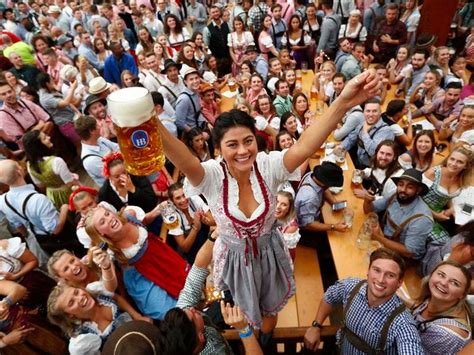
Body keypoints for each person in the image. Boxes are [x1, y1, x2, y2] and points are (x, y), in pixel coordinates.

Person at [154, 68, 382, 335]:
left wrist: (342, 101)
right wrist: (151, 124)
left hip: (269, 253)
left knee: (269, 318)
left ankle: (263, 339)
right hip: (235, 260)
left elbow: (306, 145)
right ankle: (253, 339)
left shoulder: (268, 165)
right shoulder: (212, 175)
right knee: (245, 316)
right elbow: (183, 159)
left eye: (248, 141)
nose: (242, 151)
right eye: (232, 144)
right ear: (219, 149)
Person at [304, 248, 423, 353]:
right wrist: (316, 325)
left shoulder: (403, 324)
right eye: (376, 270)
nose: (381, 279)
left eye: (390, 275)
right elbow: (330, 296)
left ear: (399, 283)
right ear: (368, 271)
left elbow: (410, 346)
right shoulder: (351, 286)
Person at [84, 205, 188, 320]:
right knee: (172, 313)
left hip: (160, 256)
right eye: (102, 222)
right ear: (101, 233)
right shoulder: (109, 250)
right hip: (142, 278)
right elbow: (110, 287)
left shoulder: (129, 215)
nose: (109, 219)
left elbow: (145, 219)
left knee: (192, 286)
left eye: (107, 214)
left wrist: (156, 210)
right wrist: (106, 266)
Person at [0, 159, 84, 257]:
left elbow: (19, 227)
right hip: (62, 238)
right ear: (19, 171)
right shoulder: (38, 200)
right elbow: (55, 229)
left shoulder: (3, 201)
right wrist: (64, 209)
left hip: (41, 239)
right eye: (17, 165)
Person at [364, 169, 433, 260]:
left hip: (402, 258)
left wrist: (379, 237)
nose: (403, 190)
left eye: (410, 187)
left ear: (418, 190)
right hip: (382, 240)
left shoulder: (422, 218)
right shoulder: (395, 195)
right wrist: (367, 201)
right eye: (401, 184)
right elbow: (369, 211)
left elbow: (409, 252)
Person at [47, 284, 133, 355]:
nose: (80, 298)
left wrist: (138, 316)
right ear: (69, 315)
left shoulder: (97, 292)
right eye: (71, 302)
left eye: (76, 292)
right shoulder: (81, 342)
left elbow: (117, 299)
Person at [407, 261, 472, 353]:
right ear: (431, 275)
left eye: (454, 283)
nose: (444, 283)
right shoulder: (440, 299)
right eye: (441, 275)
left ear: (462, 295)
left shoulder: (445, 334)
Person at [422, 145, 473, 244]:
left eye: (460, 162)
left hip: (440, 216)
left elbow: (450, 198)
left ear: (466, 166)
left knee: (461, 240)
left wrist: (453, 209)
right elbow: (414, 198)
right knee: (445, 243)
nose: (454, 164)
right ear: (447, 159)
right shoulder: (433, 173)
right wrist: (435, 215)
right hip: (420, 213)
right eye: (452, 159)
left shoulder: (462, 180)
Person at [22, 130, 79, 209]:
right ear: (38, 146)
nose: (49, 138)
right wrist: (74, 177)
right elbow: (70, 183)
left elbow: (40, 185)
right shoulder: (56, 161)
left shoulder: (30, 165)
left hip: (52, 194)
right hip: (68, 193)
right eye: (44, 138)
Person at [167, 182, 214, 264]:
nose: (183, 200)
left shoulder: (194, 198)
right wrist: (195, 228)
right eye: (178, 198)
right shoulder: (170, 216)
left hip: (206, 239)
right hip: (192, 251)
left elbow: (213, 222)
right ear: (172, 201)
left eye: (184, 195)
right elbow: (185, 247)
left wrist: (204, 220)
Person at [340, 99, 395, 169]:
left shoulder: (386, 131)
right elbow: (352, 137)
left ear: (380, 113)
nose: (370, 114)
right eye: (368, 111)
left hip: (370, 169)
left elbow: (374, 151)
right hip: (357, 161)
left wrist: (365, 132)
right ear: (364, 112)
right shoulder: (364, 122)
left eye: (374, 111)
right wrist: (341, 146)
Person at [0, 77, 53, 149]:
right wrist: (39, 126)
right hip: (32, 149)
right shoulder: (3, 115)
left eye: (9, 91)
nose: (8, 95)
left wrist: (32, 132)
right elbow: (22, 140)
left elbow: (46, 118)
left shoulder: (25, 102)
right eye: (4, 94)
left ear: (14, 91)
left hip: (49, 138)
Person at [295, 162, 348, 233]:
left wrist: (333, 202)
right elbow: (309, 225)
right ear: (325, 183)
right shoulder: (310, 198)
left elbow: (323, 189)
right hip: (305, 230)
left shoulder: (313, 176)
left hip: (315, 214)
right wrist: (334, 226)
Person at [37, 72, 81, 147]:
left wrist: (78, 113)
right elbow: (65, 102)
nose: (53, 81)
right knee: (79, 145)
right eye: (51, 80)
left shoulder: (51, 90)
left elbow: (67, 101)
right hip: (66, 123)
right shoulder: (45, 98)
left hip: (74, 118)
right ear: (47, 83)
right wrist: (72, 88)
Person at [74, 115, 119, 187]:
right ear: (91, 131)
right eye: (97, 125)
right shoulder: (90, 160)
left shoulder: (99, 139)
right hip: (114, 187)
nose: (100, 125)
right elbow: (114, 173)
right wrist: (115, 154)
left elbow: (117, 148)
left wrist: (113, 155)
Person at [175, 66, 206, 134]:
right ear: (185, 82)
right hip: (194, 132)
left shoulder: (196, 91)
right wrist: (197, 135)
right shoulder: (184, 99)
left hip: (201, 125)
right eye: (191, 79)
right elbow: (179, 122)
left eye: (196, 78)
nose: (195, 81)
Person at [203, 6, 231, 75]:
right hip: (217, 61)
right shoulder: (207, 29)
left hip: (228, 57)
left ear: (220, 12)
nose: (215, 14)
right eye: (213, 12)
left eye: (217, 11)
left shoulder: (226, 24)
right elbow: (206, 46)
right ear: (210, 14)